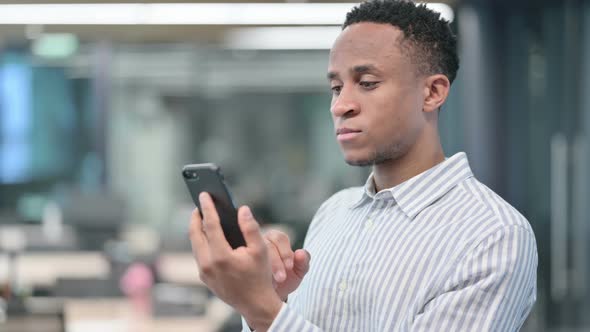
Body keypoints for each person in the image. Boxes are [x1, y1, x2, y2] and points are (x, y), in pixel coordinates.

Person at [188, 0, 538, 331]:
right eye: (336, 87)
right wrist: (273, 299)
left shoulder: (493, 236)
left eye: (367, 83)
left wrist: (262, 309)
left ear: (432, 93)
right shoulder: (334, 213)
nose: (340, 106)